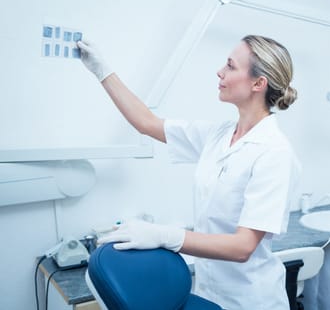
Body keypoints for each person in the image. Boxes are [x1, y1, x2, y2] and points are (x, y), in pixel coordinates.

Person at [77, 35, 301, 309]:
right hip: (209, 294)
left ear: (258, 83)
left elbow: (243, 246)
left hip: (251, 300)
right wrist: (102, 71)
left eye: (230, 66)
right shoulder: (219, 135)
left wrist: (166, 236)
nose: (220, 71)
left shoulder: (273, 152)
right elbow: (147, 123)